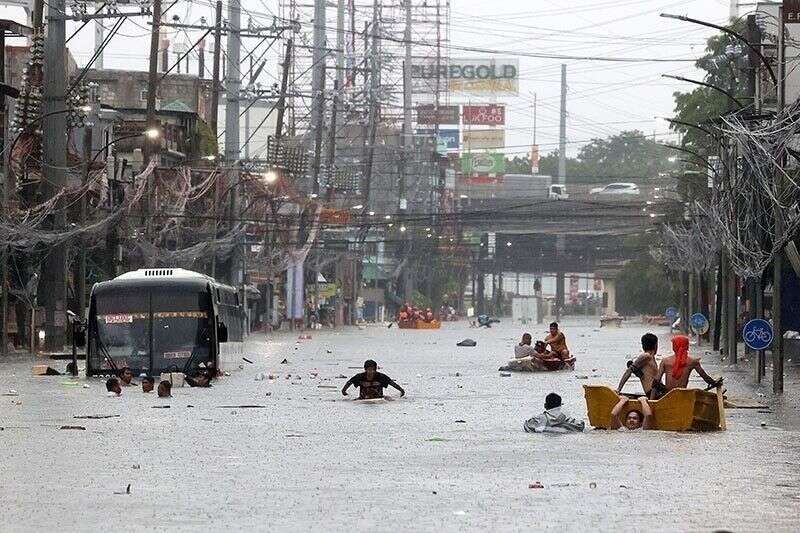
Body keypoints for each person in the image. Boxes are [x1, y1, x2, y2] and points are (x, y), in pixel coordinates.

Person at [651, 335, 722, 398]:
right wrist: (715, 383)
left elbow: (656, 382)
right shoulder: (693, 361)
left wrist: (651, 400)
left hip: (668, 396)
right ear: (687, 346)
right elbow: (705, 377)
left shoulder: (665, 361)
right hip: (683, 395)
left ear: (674, 347)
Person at [615, 333, 665, 398]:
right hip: (654, 393)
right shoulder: (646, 356)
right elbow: (628, 371)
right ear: (655, 345)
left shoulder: (651, 357)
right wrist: (618, 389)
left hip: (659, 391)